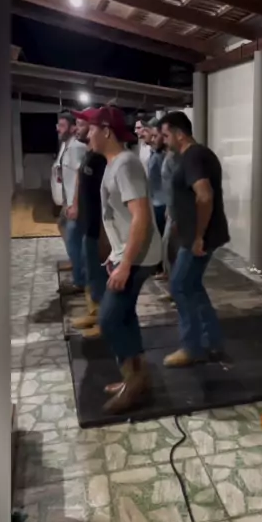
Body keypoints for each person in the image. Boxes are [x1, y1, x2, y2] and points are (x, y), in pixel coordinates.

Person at [88, 105, 162, 414]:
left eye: (92, 128)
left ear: (106, 131)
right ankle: (135, 378)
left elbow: (140, 217)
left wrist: (126, 264)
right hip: (129, 253)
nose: (87, 134)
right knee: (124, 316)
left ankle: (135, 383)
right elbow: (120, 218)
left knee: (109, 319)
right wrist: (115, 254)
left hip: (140, 256)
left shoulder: (125, 165)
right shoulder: (114, 163)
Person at [158, 111, 230, 367]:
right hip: (193, 234)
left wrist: (199, 236)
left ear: (179, 134)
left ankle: (192, 347)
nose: (164, 140)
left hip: (199, 237)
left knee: (179, 286)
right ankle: (212, 341)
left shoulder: (194, 156)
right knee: (192, 286)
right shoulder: (193, 156)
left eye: (166, 135)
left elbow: (204, 196)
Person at [68, 109, 109, 338]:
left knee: (100, 275)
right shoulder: (89, 154)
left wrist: (104, 233)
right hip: (87, 224)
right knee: (91, 272)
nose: (78, 128)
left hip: (97, 228)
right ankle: (95, 312)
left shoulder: (102, 159)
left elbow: (107, 197)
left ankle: (105, 320)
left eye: (85, 125)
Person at [56, 111, 87, 294]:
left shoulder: (76, 148)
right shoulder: (65, 145)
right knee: (64, 228)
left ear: (72, 127)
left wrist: (75, 204)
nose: (58, 129)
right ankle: (77, 266)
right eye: (58, 125)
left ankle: (80, 279)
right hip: (67, 200)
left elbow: (80, 177)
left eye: (62, 125)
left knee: (74, 239)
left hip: (76, 202)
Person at [151, 121, 178, 285]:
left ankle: (175, 283)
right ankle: (172, 281)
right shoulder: (166, 156)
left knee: (170, 245)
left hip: (172, 208)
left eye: (157, 136)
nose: (154, 139)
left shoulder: (173, 158)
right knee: (167, 245)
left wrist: (170, 206)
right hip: (168, 206)